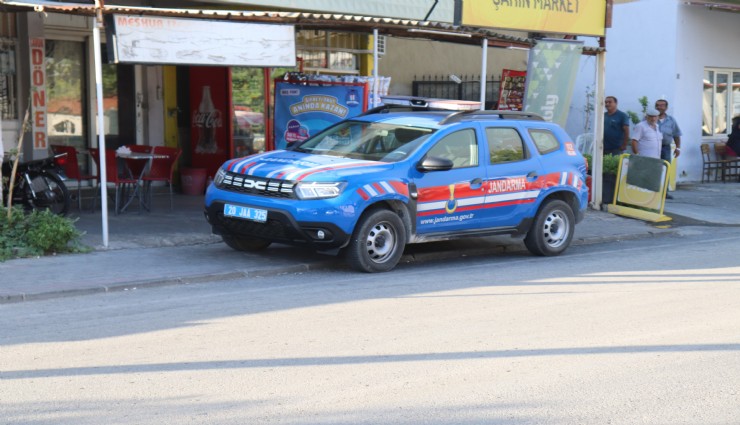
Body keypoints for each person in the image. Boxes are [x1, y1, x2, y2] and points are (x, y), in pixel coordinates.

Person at [655, 99, 682, 199]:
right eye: (657, 105)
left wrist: (678, 148)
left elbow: (677, 135)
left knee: (665, 169)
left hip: (665, 148)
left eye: (662, 105)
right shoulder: (650, 118)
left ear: (666, 108)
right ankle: (653, 193)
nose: (659, 107)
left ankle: (665, 193)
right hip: (653, 148)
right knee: (653, 169)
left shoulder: (671, 120)